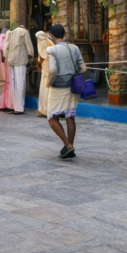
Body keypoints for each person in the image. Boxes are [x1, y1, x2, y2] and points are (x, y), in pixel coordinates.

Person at [45, 23, 86, 159]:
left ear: (52, 35)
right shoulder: (74, 48)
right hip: (72, 87)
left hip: (58, 88)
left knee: (52, 117)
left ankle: (68, 144)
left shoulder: (52, 50)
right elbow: (83, 68)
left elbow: (52, 70)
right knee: (70, 116)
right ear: (63, 34)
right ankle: (71, 148)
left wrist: (48, 82)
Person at [3, 21, 34, 114]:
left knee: (13, 84)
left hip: (11, 60)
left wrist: (7, 57)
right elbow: (29, 47)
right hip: (20, 60)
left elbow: (5, 47)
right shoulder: (25, 32)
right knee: (20, 83)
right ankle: (19, 108)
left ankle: (13, 106)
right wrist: (31, 55)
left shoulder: (9, 33)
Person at [0, 24, 12, 111]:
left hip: (1, 64)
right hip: (3, 64)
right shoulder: (3, 39)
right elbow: (3, 49)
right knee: (4, 82)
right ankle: (2, 103)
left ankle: (1, 103)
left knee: (2, 82)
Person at [35, 29, 53, 116]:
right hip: (49, 68)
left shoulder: (41, 42)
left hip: (46, 68)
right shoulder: (49, 42)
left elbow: (43, 55)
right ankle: (44, 109)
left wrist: (39, 63)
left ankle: (44, 109)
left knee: (44, 89)